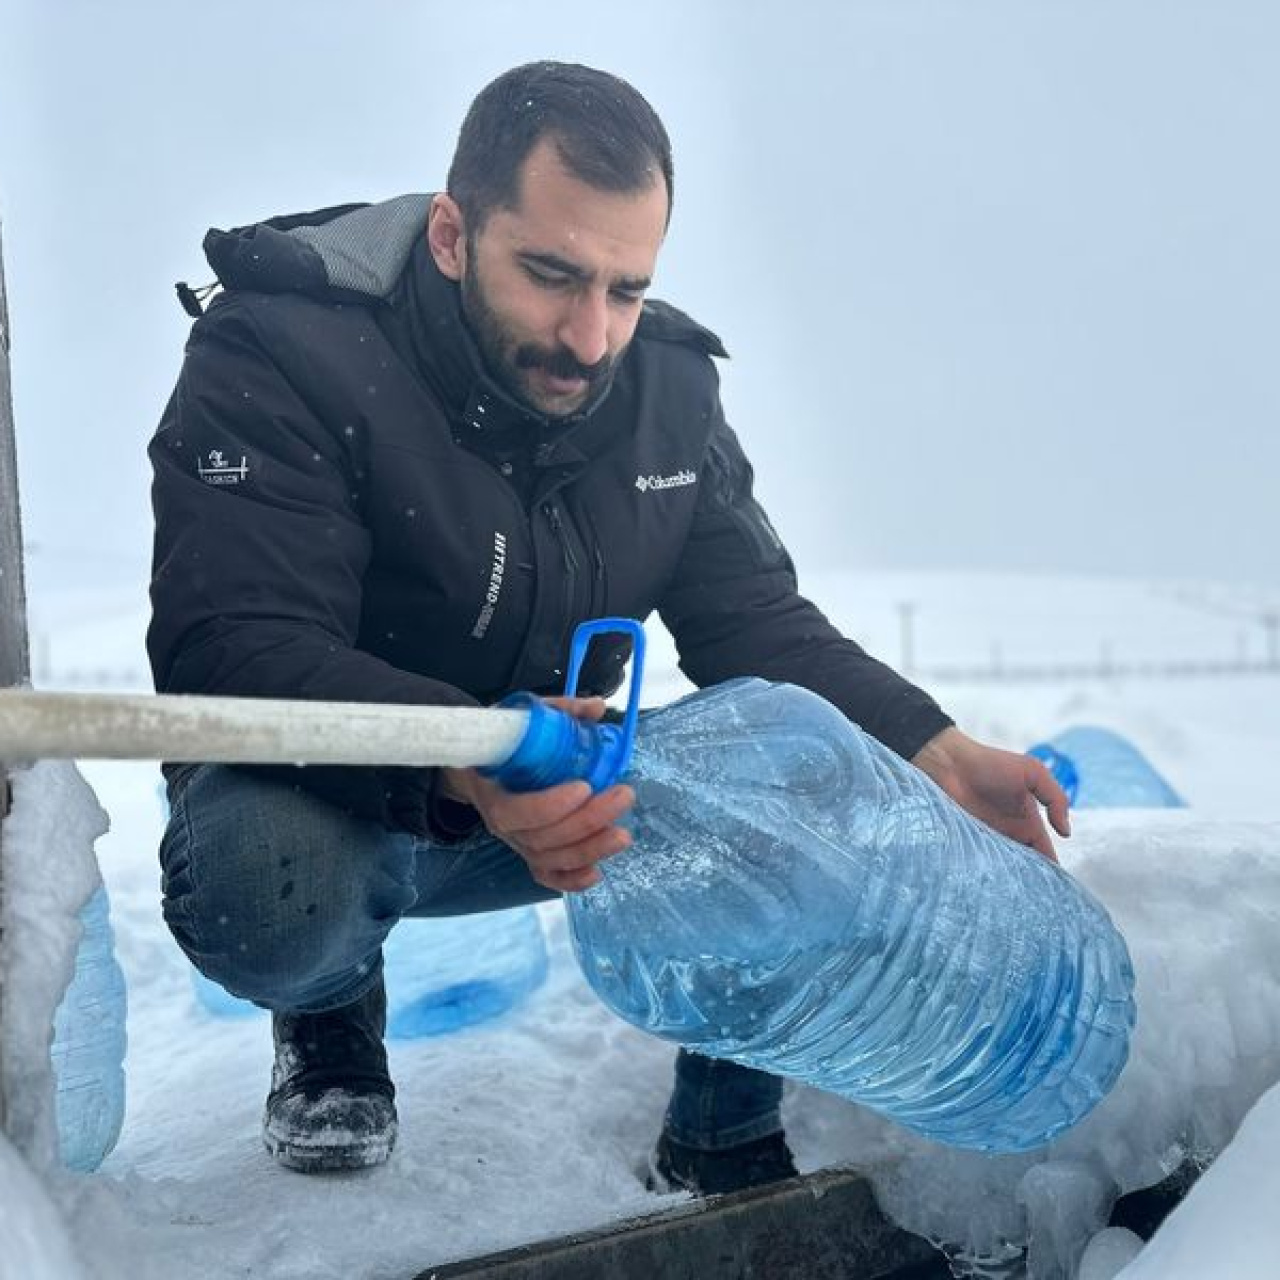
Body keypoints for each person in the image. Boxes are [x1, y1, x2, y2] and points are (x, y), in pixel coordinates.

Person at [148, 61, 1070, 1193]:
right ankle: (331, 1013)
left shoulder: (663, 387)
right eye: (549, 276)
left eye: (624, 289)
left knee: (807, 770)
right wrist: (474, 753)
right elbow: (236, 646)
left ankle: (721, 1127)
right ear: (450, 233)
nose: (589, 337)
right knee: (265, 880)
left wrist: (932, 747)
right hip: (356, 791)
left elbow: (754, 621)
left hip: (556, 776)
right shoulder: (284, 344)